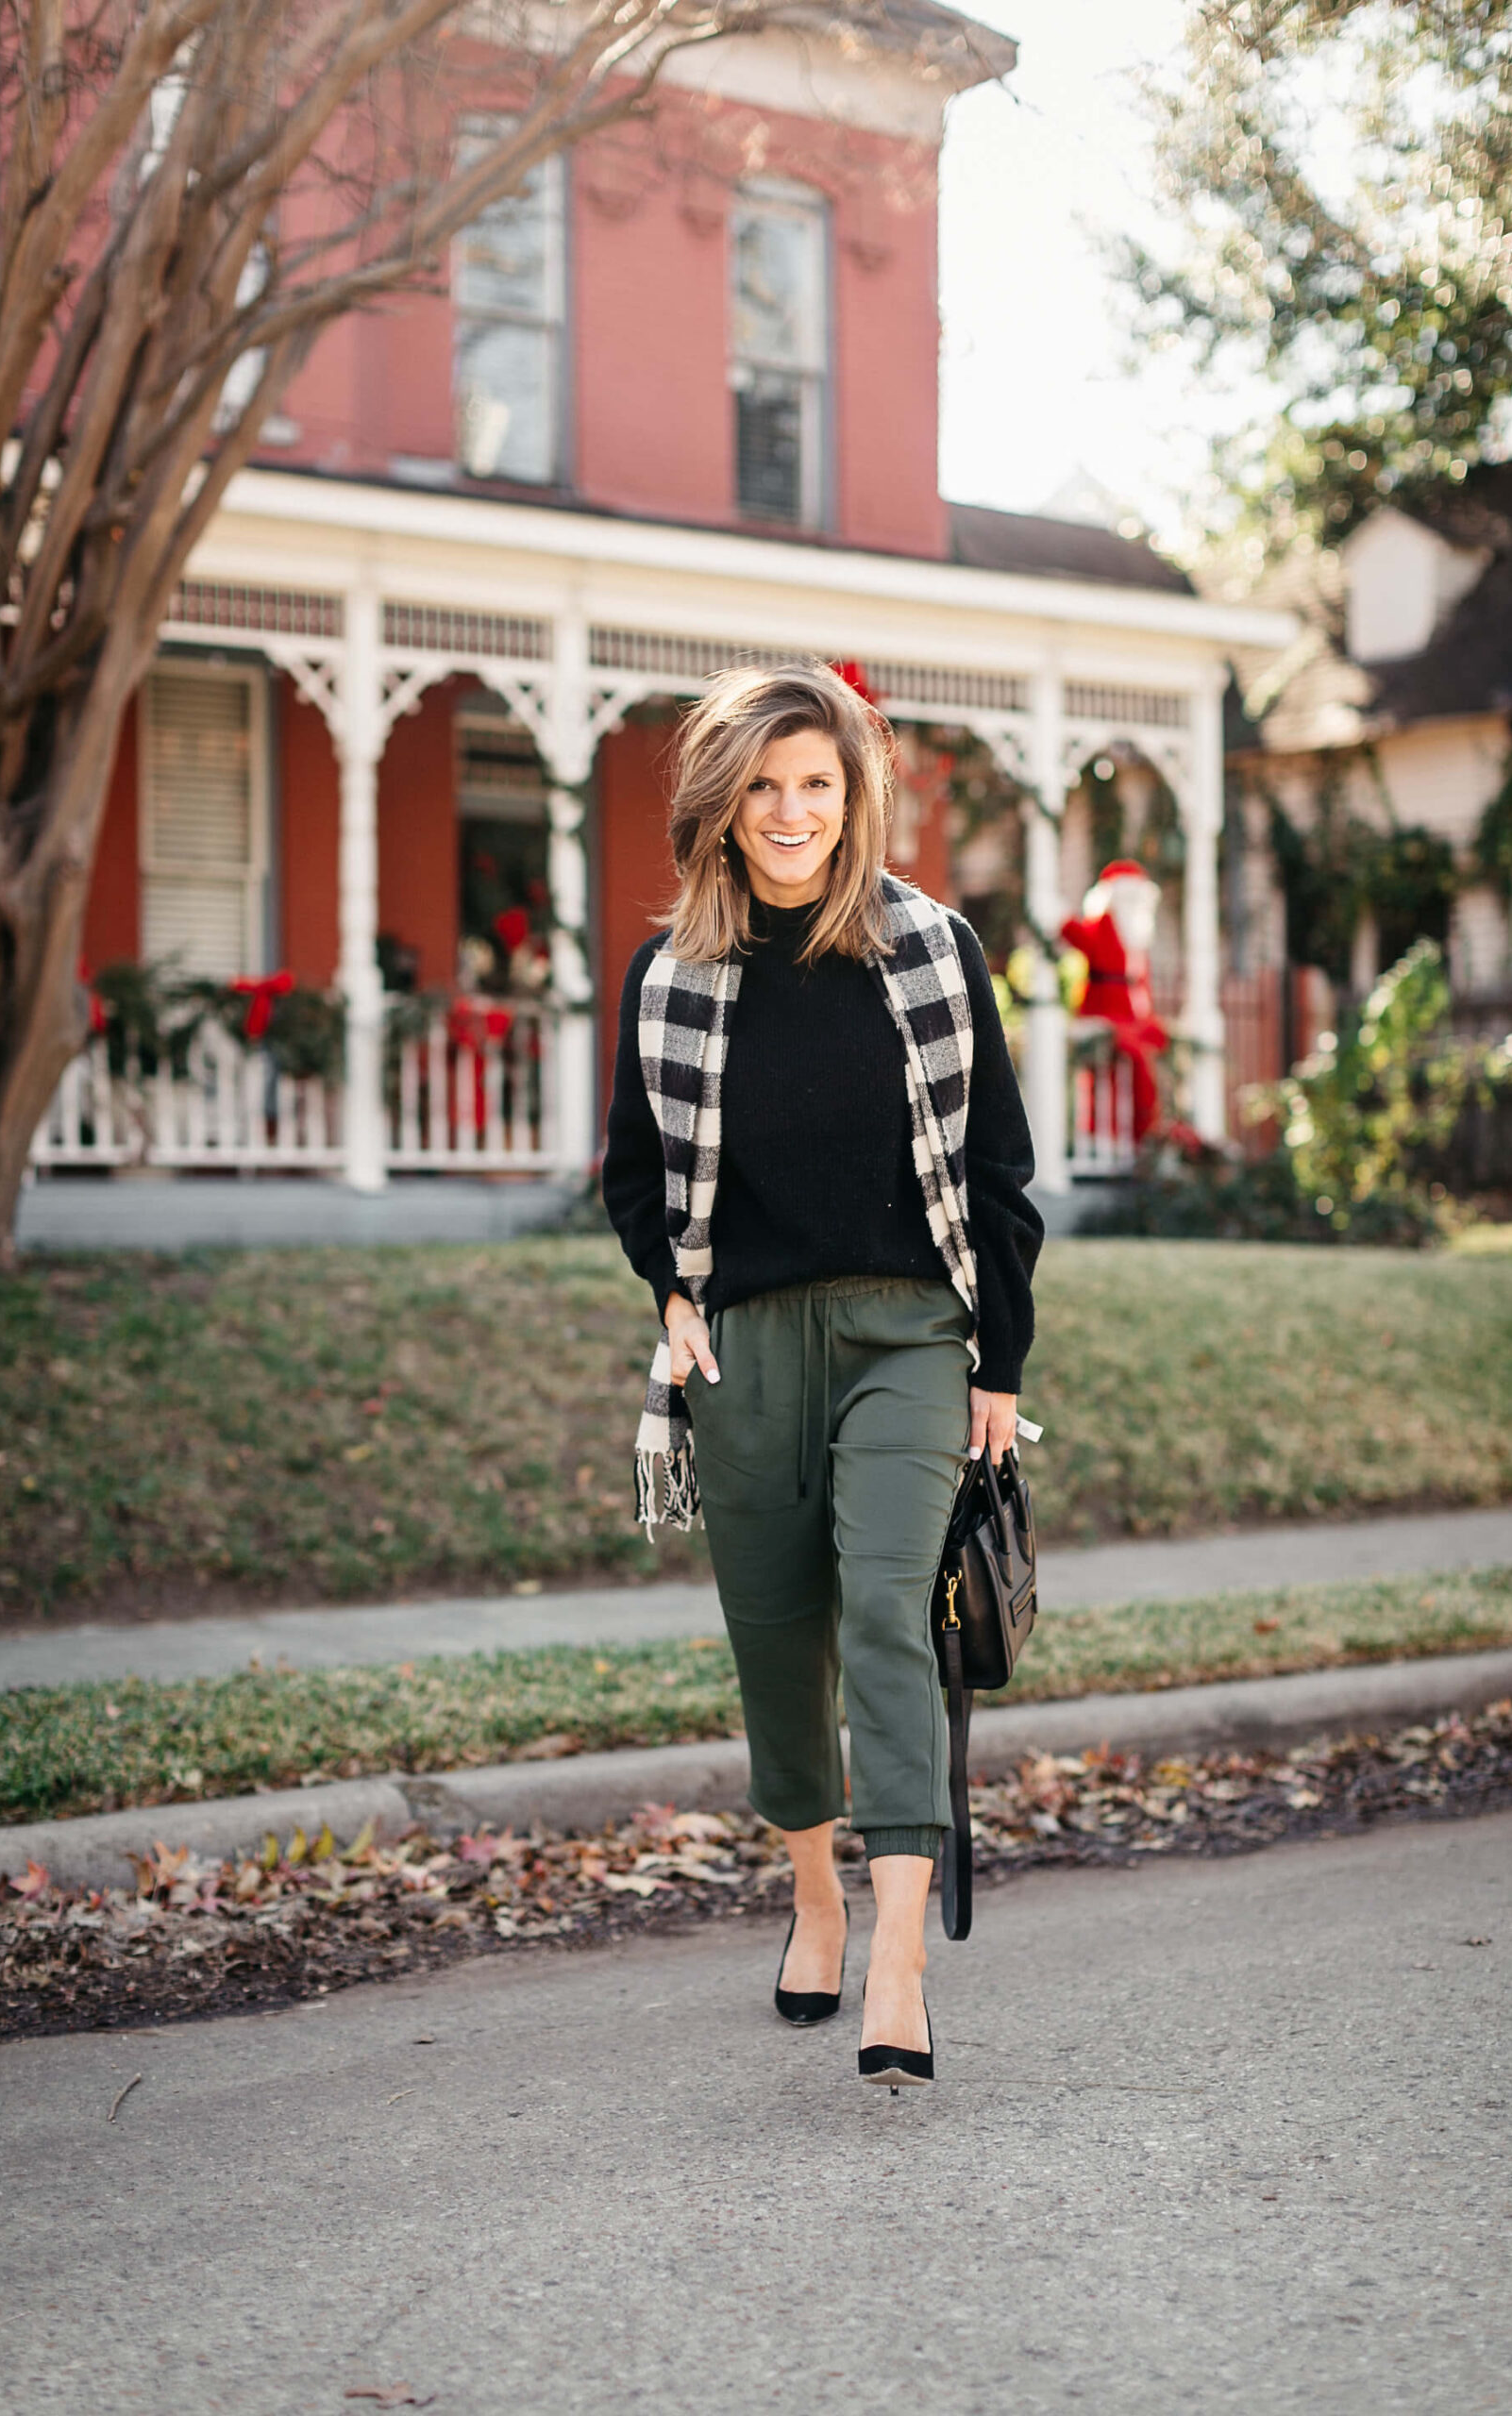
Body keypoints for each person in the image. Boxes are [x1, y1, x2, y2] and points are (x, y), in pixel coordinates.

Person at [602, 660, 1042, 2089]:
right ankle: (812, 1897)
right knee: (777, 1634)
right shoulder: (673, 977)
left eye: (817, 783)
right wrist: (670, 1291)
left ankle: (901, 1958)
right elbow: (631, 1179)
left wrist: (1001, 1361)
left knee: (883, 1615)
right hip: (746, 1346)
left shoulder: (930, 950)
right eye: (765, 788)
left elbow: (999, 1177)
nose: (792, 811)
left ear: (856, 796)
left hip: (913, 1333)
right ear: (723, 811)